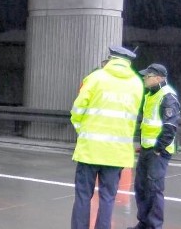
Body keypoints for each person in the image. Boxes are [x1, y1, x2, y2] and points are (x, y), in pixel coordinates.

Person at [70, 46, 144, 229]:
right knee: (107, 198)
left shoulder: (95, 78)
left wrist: (82, 130)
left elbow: (77, 110)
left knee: (82, 196)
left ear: (110, 58)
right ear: (128, 63)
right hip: (117, 153)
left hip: (90, 151)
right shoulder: (136, 83)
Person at [129, 64, 180, 229]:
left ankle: (154, 226)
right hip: (147, 149)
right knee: (141, 187)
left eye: (147, 76)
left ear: (158, 78)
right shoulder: (152, 94)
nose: (144, 78)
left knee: (154, 189)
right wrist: (144, 146)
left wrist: (158, 148)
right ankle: (144, 223)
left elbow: (170, 127)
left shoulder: (168, 96)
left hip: (157, 152)